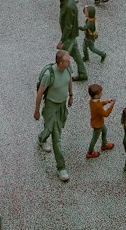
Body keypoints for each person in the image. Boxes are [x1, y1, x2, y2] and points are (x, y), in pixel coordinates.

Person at [34, 48, 75, 182]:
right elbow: (40, 93)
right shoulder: (49, 74)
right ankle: (61, 167)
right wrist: (36, 110)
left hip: (62, 105)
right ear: (60, 62)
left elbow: (69, 80)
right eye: (67, 61)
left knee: (50, 128)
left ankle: (41, 138)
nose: (69, 62)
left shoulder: (68, 69)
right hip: (51, 106)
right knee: (56, 137)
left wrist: (71, 95)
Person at [56, 0, 88, 81]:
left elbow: (68, 26)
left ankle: (65, 76)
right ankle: (83, 73)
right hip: (72, 33)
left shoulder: (68, 6)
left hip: (69, 35)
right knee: (76, 53)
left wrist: (62, 41)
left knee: (63, 56)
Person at [86, 82, 115, 157]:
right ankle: (90, 152)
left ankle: (104, 144)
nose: (101, 94)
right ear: (96, 95)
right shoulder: (98, 106)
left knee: (105, 131)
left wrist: (106, 102)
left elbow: (99, 103)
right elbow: (106, 114)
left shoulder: (92, 101)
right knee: (94, 138)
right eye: (100, 93)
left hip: (98, 122)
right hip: (98, 125)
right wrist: (111, 105)